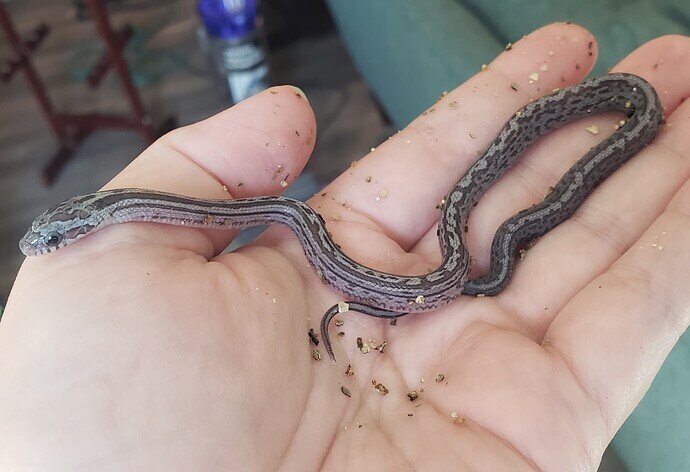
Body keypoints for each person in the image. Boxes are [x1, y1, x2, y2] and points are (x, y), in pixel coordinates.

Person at [1, 23, 688, 470]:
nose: (47, 245)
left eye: (55, 235)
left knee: (484, 239)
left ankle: (608, 137)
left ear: (82, 221)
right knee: (471, 251)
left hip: (423, 278)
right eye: (54, 238)